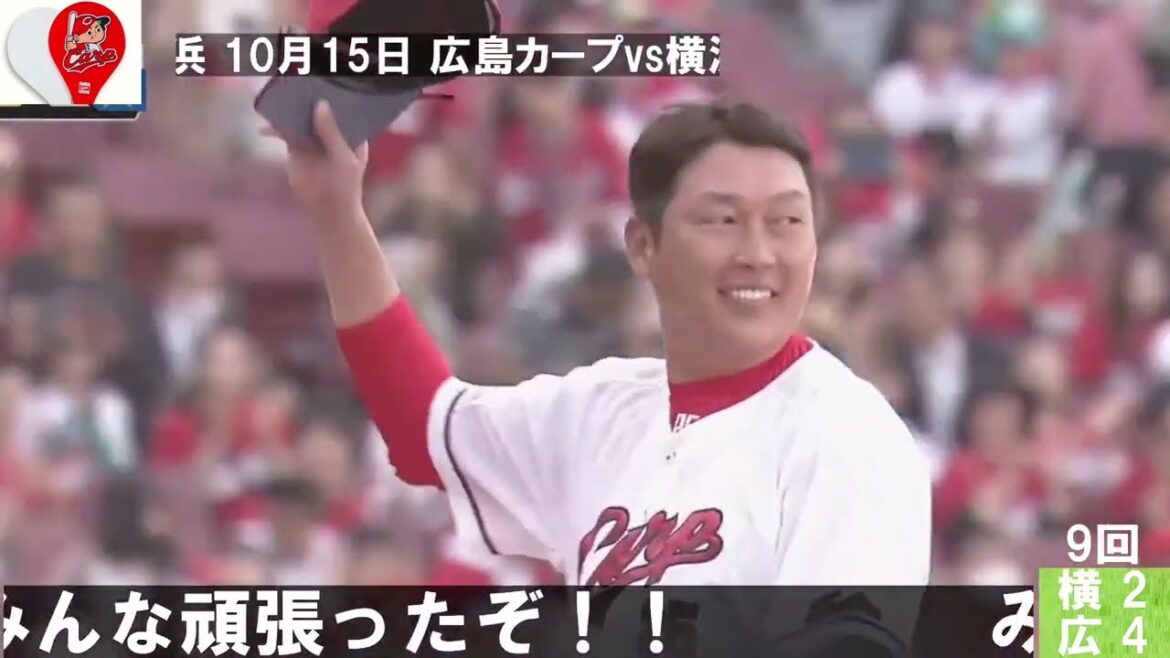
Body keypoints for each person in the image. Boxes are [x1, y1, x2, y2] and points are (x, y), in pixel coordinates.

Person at [268, 98, 932, 588]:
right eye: (723, 220)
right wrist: (336, 211)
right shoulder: (599, 411)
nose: (759, 253)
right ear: (643, 246)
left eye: (787, 221)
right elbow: (424, 430)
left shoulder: (844, 433)